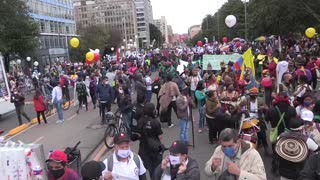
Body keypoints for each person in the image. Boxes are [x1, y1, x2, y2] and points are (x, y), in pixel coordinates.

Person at [138, 103, 164, 179]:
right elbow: (160, 136)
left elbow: (138, 135)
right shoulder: (155, 122)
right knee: (157, 168)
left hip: (144, 148)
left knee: (149, 168)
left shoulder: (140, 120)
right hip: (155, 148)